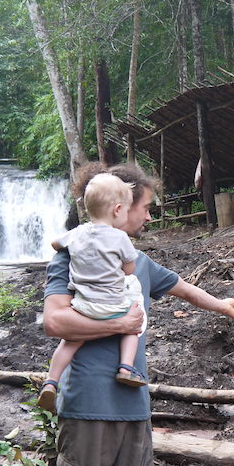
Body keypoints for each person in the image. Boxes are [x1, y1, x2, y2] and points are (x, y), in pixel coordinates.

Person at [42, 161, 234, 466]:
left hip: (133, 404)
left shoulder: (142, 264)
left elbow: (186, 290)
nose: (150, 215)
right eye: (147, 207)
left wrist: (224, 306)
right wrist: (120, 325)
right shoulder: (71, 257)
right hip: (88, 403)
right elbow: (55, 322)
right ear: (124, 206)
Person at [37, 173, 148, 414]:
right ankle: (126, 368)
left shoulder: (77, 233)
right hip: (114, 306)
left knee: (69, 343)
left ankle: (50, 382)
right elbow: (130, 269)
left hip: (84, 307)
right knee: (133, 326)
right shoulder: (120, 238)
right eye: (128, 210)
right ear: (118, 210)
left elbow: (56, 244)